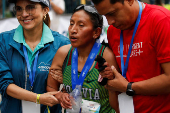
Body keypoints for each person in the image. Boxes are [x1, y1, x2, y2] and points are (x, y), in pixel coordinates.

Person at [91, 0, 170, 112]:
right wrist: (109, 75)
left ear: (129, 1)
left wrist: (129, 87)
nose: (109, 22)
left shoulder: (161, 20)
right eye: (104, 16)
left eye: (112, 13)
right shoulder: (113, 31)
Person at [0, 0, 70, 113]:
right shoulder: (3, 41)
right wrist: (38, 98)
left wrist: (67, 81)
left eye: (30, 7)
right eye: (19, 9)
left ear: (45, 10)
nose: (24, 14)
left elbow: (76, 83)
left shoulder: (62, 44)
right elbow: (4, 83)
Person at [47, 4, 119, 113]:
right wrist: (60, 95)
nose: (73, 30)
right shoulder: (63, 53)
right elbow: (50, 87)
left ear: (96, 32)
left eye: (81, 25)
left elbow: (117, 100)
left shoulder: (106, 55)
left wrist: (111, 83)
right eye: (71, 24)